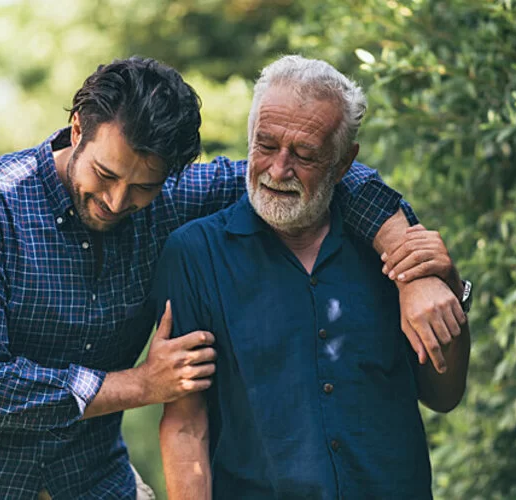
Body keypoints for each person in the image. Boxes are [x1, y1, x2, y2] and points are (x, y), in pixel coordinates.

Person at [0, 56, 462, 499]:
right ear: (76, 130)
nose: (117, 201)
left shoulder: (171, 197)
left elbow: (332, 175)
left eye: (142, 187)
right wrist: (142, 384)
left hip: (90, 485)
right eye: (105, 174)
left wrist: (409, 265)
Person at [156, 55, 471, 499]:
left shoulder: (392, 246)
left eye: (304, 155)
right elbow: (187, 424)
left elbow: (443, 395)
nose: (278, 170)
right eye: (265, 146)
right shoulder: (195, 254)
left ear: (344, 164)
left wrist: (448, 292)